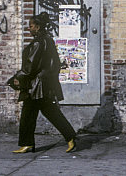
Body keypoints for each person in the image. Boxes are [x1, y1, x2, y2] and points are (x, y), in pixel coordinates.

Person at [11, 12, 77, 154]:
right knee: (45, 113)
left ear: (38, 27)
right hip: (44, 84)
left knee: (31, 115)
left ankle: (28, 143)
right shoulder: (48, 40)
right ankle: (70, 138)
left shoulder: (38, 43)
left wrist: (18, 77)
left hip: (35, 86)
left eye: (31, 26)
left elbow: (30, 65)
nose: (29, 28)